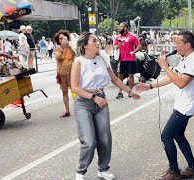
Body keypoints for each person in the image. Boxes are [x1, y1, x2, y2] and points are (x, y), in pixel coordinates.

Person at [135, 30, 194, 180]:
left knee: (166, 136)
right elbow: (173, 78)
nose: (175, 45)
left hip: (186, 106)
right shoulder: (186, 59)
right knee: (178, 135)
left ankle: (174, 171)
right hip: (183, 104)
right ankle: (193, 168)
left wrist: (165, 67)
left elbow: (180, 83)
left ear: (187, 44)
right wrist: (150, 86)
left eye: (177, 42)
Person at [71, 32, 140, 180]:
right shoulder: (78, 61)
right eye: (94, 40)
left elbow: (114, 79)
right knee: (89, 142)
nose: (98, 43)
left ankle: (103, 169)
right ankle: (80, 171)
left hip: (101, 101)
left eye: (98, 40)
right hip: (84, 103)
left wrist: (129, 91)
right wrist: (93, 97)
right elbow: (75, 88)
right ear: (85, 45)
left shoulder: (103, 59)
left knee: (105, 138)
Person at [113, 22, 142, 99]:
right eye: (119, 27)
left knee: (130, 75)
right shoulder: (118, 37)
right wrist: (118, 46)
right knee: (120, 75)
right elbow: (114, 47)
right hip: (121, 59)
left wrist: (134, 51)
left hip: (130, 59)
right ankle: (120, 92)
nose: (120, 28)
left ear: (125, 28)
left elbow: (139, 46)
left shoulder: (132, 36)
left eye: (121, 27)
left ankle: (130, 91)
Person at [53, 30, 76, 118]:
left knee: (74, 90)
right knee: (64, 92)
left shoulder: (71, 48)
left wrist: (69, 46)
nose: (62, 40)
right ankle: (67, 110)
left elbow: (75, 54)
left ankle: (78, 107)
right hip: (62, 74)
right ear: (58, 40)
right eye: (60, 38)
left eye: (64, 38)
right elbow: (57, 57)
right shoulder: (58, 49)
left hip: (72, 73)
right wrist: (62, 49)